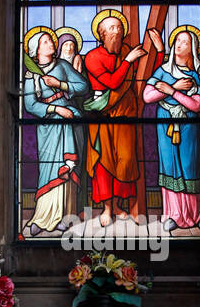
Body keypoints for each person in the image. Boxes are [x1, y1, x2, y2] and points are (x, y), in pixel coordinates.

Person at [22, 28, 88, 235]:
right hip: (49, 125)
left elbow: (84, 86)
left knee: (68, 169)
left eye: (51, 40)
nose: (52, 43)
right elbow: (30, 105)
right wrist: (55, 108)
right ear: (36, 49)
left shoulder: (62, 66)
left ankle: (64, 216)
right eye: (46, 42)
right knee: (50, 169)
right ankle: (43, 217)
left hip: (71, 120)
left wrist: (60, 84)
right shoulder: (31, 74)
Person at [143, 25, 200, 231]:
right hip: (165, 125)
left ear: (193, 49)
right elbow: (147, 96)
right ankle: (172, 214)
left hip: (188, 126)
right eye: (177, 41)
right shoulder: (163, 71)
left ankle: (198, 214)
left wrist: (171, 90)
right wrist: (174, 90)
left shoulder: (195, 76)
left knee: (191, 165)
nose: (179, 45)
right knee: (170, 165)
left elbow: (197, 105)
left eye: (185, 42)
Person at [83, 12, 144, 224]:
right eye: (111, 28)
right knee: (103, 163)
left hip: (126, 114)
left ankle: (118, 205)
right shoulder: (92, 57)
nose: (117, 31)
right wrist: (127, 61)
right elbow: (111, 82)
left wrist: (159, 49)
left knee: (125, 161)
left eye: (119, 27)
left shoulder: (128, 51)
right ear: (101, 34)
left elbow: (148, 71)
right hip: (102, 115)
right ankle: (107, 209)